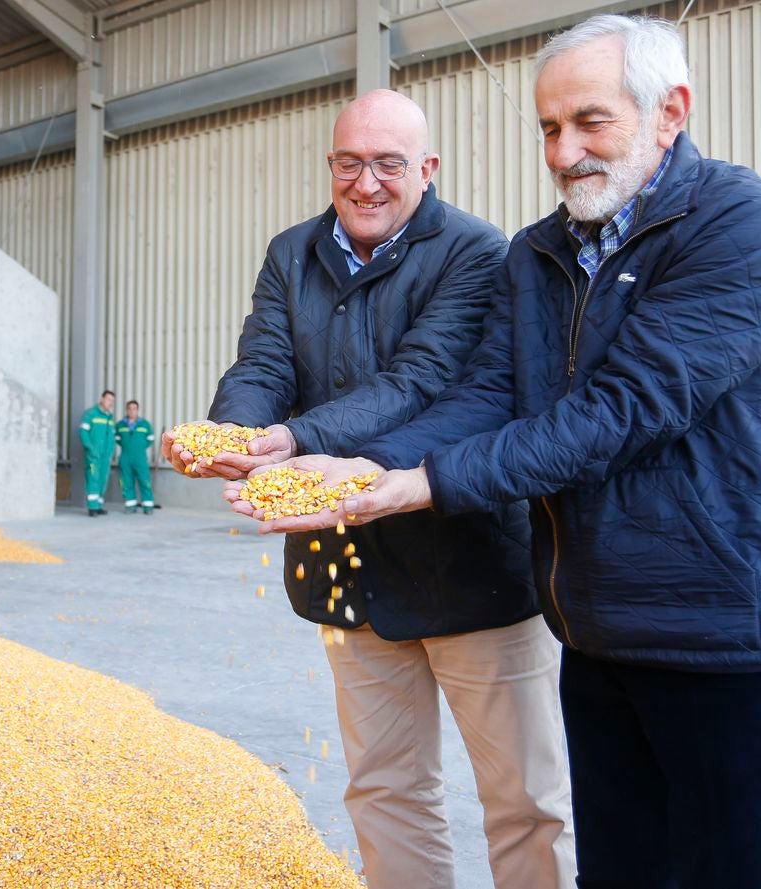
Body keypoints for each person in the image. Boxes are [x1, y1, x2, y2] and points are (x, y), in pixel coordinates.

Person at [233, 16, 761, 889]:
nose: (565, 151)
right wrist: (371, 467)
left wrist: (413, 485)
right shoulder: (540, 252)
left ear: (671, 112)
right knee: (619, 865)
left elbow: (621, 410)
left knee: (724, 864)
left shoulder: (739, 226)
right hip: (594, 616)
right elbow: (484, 393)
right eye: (549, 128)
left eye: (592, 121)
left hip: (718, 615)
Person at [165, 89, 574, 889]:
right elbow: (263, 361)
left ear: (426, 168)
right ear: (329, 166)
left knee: (524, 796)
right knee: (385, 785)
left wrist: (296, 438)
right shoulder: (293, 252)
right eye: (349, 163)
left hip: (468, 559)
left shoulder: (474, 251)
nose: (367, 183)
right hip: (348, 562)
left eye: (388, 164)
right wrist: (239, 430)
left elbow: (423, 378)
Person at [78, 390, 116, 516]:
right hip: (94, 454)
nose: (110, 403)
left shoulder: (109, 417)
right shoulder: (91, 414)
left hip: (105, 455)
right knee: (93, 478)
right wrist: (90, 447)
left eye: (112, 401)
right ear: (101, 399)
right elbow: (83, 432)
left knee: (103, 479)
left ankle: (99, 505)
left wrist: (111, 451)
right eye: (108, 399)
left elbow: (111, 436)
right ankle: (92, 507)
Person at [116, 400, 156, 514]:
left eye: (134, 408)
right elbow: (118, 440)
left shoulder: (145, 424)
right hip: (125, 458)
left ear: (137, 410)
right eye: (130, 408)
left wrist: (139, 447)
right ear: (127, 410)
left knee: (144, 481)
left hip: (140, 458)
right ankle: (130, 505)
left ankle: (148, 506)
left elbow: (150, 440)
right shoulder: (120, 425)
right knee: (126, 482)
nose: (132, 411)